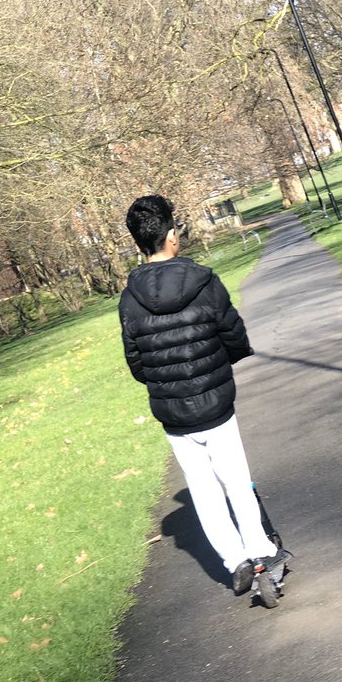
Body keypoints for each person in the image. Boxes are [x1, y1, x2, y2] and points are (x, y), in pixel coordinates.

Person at [119, 194, 289, 596]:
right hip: (215, 403)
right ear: (172, 235)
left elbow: (136, 360)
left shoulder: (129, 298)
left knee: (203, 488)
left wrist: (163, 381)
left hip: (173, 412)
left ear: (139, 243)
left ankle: (235, 561)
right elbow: (233, 333)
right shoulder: (204, 281)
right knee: (236, 480)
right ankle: (261, 551)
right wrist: (222, 361)